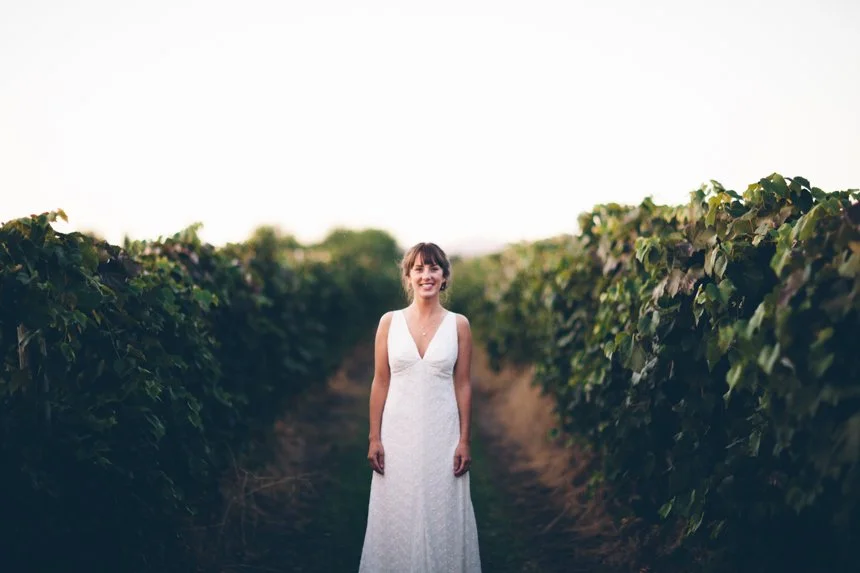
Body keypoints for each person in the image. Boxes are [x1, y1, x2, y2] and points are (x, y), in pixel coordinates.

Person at [358, 242, 482, 572]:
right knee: (397, 511)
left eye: (433, 268)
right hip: (397, 434)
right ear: (408, 277)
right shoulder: (389, 322)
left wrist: (464, 440)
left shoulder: (459, 325)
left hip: (443, 434)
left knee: (442, 511)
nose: (426, 275)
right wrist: (374, 437)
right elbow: (380, 382)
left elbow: (463, 384)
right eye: (419, 269)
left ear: (444, 277)